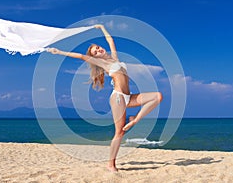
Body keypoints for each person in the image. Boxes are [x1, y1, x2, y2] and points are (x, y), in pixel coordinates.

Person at [48, 24, 162, 172]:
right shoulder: (101, 62)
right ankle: (111, 164)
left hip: (129, 97)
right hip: (118, 98)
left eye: (98, 47)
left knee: (157, 96)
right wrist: (59, 52)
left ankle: (135, 119)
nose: (99, 49)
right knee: (119, 132)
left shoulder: (115, 58)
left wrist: (102, 27)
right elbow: (82, 56)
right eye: (95, 51)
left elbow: (110, 40)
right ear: (95, 57)